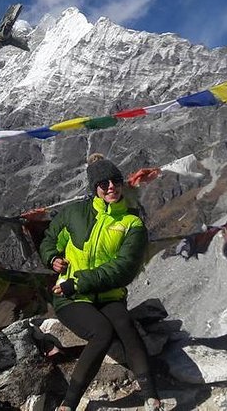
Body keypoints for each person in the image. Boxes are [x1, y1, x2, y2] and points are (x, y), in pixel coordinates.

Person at [40, 155, 162, 411]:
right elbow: (50, 239)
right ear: (94, 187)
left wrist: (80, 282)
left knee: (125, 325)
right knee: (102, 332)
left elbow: (123, 269)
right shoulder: (74, 213)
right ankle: (69, 404)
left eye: (116, 181)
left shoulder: (132, 222)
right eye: (103, 183)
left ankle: (151, 396)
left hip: (106, 293)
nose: (110, 187)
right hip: (71, 294)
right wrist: (52, 259)